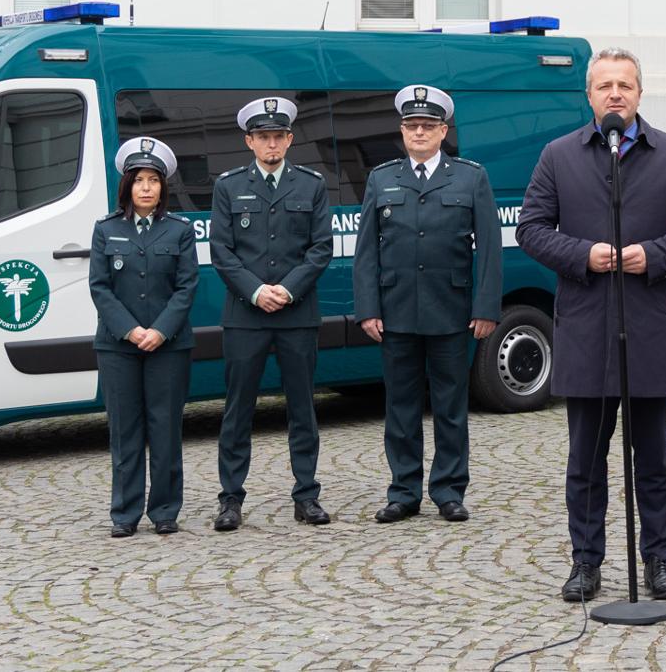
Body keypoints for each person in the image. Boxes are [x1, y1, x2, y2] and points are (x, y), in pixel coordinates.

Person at [516, 48, 666, 602]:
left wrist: (653, 254)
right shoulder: (559, 156)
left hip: (650, 329)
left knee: (653, 458)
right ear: (589, 95)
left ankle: (659, 561)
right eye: (604, 85)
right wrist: (582, 254)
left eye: (624, 85)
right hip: (586, 329)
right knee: (585, 460)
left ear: (639, 93)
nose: (615, 94)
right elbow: (531, 229)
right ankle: (586, 563)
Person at [353, 85, 503, 524]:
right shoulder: (382, 178)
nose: (419, 132)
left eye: (427, 126)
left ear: (443, 131)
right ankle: (403, 491)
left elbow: (489, 249)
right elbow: (367, 252)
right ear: (402, 131)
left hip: (450, 309)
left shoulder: (470, 177)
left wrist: (486, 307)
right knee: (399, 407)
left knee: (451, 407)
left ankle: (449, 490)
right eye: (411, 126)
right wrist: (368, 308)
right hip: (396, 311)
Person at [209, 97, 335, 531]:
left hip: (297, 315)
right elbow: (221, 252)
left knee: (303, 409)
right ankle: (230, 499)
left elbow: (321, 248)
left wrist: (287, 289)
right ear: (249, 141)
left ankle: (306, 496)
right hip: (246, 316)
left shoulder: (310, 185)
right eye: (263, 137)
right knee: (237, 410)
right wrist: (257, 291)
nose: (271, 143)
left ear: (289, 139)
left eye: (278, 136)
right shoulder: (228, 186)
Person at [89, 136, 200, 539]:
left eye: (154, 180)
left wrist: (160, 331)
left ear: (163, 187)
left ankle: (166, 510)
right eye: (139, 180)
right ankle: (125, 512)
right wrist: (132, 330)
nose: (147, 188)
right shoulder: (106, 229)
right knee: (125, 429)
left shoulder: (179, 231)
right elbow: (99, 287)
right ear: (128, 187)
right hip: (118, 346)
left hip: (168, 346)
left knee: (166, 427)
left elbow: (187, 287)